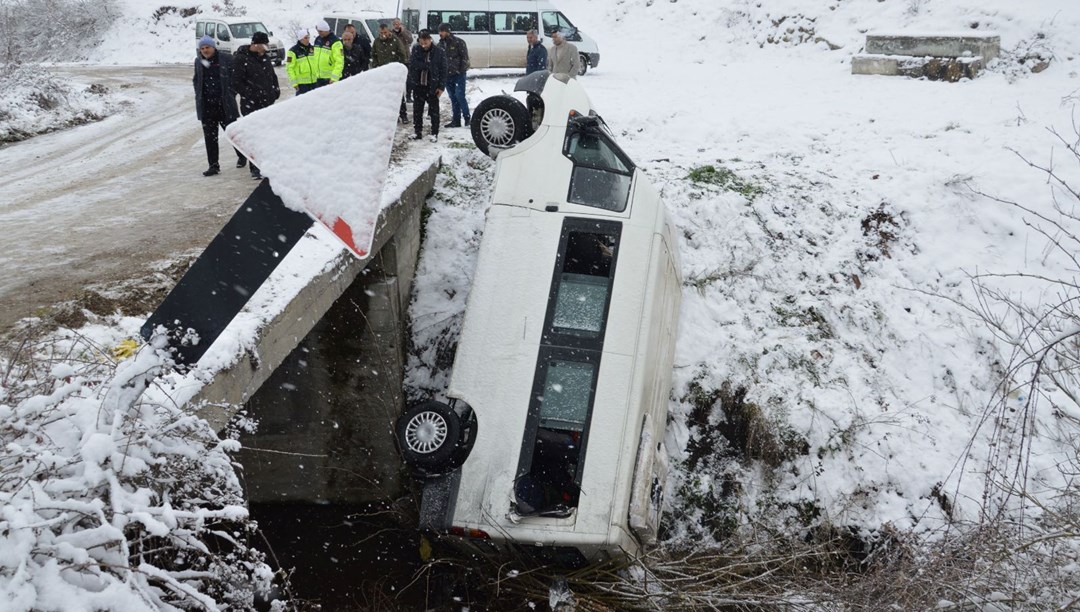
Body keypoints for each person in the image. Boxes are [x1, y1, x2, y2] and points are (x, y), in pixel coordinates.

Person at [232, 31, 280, 179]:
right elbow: (236, 82)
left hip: (267, 103)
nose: (266, 47)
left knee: (266, 137)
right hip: (251, 105)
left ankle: (267, 165)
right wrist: (251, 95)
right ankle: (255, 168)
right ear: (256, 44)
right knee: (254, 137)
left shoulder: (264, 57)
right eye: (264, 44)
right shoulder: (241, 59)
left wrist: (275, 90)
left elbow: (272, 76)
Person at [193, 35, 242, 177]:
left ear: (214, 47)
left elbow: (235, 78)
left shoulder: (226, 59)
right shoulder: (198, 61)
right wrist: (199, 94)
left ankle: (242, 155)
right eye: (202, 48)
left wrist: (231, 93)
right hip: (207, 106)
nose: (205, 50)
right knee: (210, 138)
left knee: (233, 134)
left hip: (224, 105)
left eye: (207, 47)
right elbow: (196, 80)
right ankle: (213, 165)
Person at [407, 30, 445, 143]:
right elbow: (413, 64)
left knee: (434, 110)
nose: (423, 45)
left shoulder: (439, 51)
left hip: (432, 85)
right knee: (417, 110)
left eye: (426, 43)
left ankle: (434, 133)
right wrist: (426, 66)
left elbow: (443, 70)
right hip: (419, 85)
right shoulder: (416, 49)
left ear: (430, 40)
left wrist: (441, 87)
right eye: (421, 43)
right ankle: (417, 131)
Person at [371, 23, 409, 123]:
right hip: (382, 72)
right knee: (385, 96)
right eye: (381, 33)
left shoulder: (395, 41)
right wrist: (376, 65)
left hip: (394, 72)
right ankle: (392, 116)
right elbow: (373, 55)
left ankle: (403, 115)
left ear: (389, 31)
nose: (383, 34)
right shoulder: (377, 42)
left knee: (398, 95)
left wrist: (398, 67)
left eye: (385, 32)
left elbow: (402, 55)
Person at [437, 23, 470, 128]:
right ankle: (456, 120)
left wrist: (460, 71)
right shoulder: (439, 45)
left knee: (460, 96)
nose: (440, 33)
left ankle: (467, 118)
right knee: (453, 98)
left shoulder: (458, 42)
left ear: (448, 31)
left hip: (458, 74)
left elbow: (464, 58)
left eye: (442, 31)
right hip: (447, 76)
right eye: (439, 31)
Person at [312, 20, 343, 88]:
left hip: (330, 79)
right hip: (318, 78)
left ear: (326, 30)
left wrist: (334, 78)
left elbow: (340, 61)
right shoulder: (318, 39)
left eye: (321, 31)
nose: (319, 33)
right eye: (318, 31)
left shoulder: (336, 42)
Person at [286, 29, 318, 95]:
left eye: (308, 37)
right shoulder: (292, 51)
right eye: (305, 38)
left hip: (314, 82)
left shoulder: (312, 49)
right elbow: (289, 68)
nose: (308, 40)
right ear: (300, 39)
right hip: (302, 85)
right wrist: (294, 83)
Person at [392, 18, 414, 101]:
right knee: (397, 79)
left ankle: (408, 96)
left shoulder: (406, 32)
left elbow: (410, 40)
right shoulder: (391, 33)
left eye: (398, 24)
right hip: (396, 59)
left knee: (409, 79)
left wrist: (403, 32)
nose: (397, 26)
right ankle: (398, 96)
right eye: (395, 24)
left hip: (406, 58)